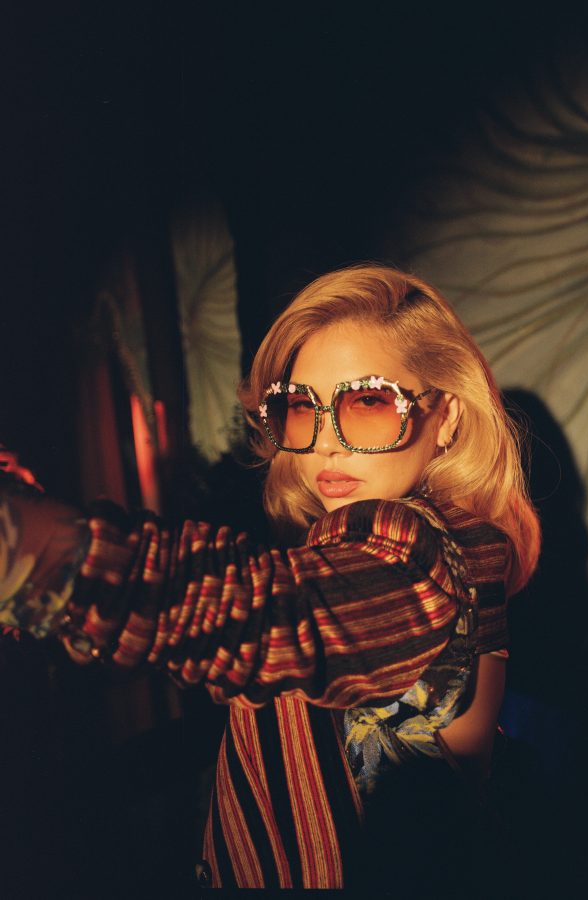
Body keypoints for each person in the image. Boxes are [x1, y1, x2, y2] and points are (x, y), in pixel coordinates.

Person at [0, 265, 540, 891]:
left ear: (445, 418)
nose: (326, 443)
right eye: (301, 407)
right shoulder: (454, 547)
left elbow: (263, 610)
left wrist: (36, 551)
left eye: (368, 401)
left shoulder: (415, 548)